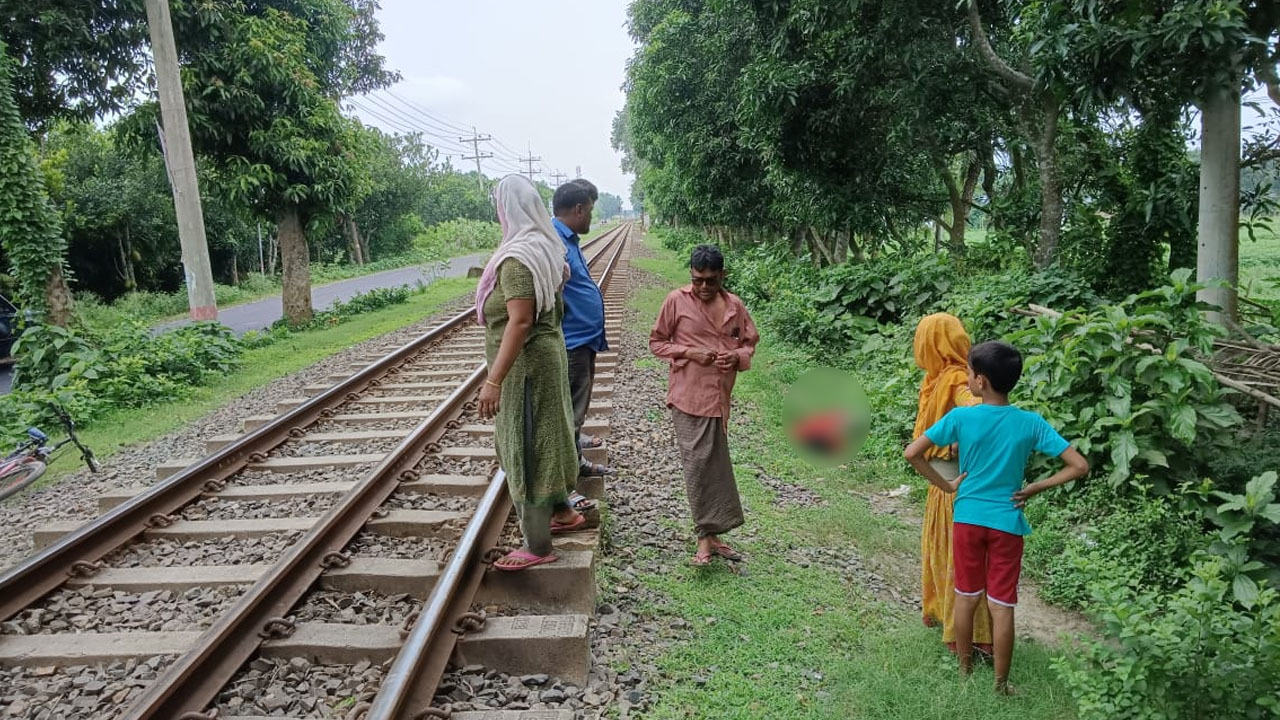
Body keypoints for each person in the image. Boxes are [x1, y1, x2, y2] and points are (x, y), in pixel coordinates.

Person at [904, 341, 1089, 693]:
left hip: (968, 519)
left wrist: (946, 485)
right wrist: (1034, 487)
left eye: (971, 374)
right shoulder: (1029, 423)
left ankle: (964, 671)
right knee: (1002, 605)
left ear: (981, 382)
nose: (968, 379)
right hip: (1007, 522)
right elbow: (1079, 466)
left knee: (966, 595)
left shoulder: (962, 417)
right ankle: (1002, 684)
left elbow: (912, 452)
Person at [475, 175, 585, 572]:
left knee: (526, 444)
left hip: (525, 369)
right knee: (548, 433)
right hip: (546, 356)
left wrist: (493, 381)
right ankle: (565, 512)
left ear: (508, 209)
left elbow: (519, 322)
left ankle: (538, 545)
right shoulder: (546, 245)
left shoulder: (518, 257)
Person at [650, 244, 760, 566]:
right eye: (698, 279)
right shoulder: (676, 301)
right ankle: (703, 536)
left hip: (718, 398)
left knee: (716, 465)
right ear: (691, 276)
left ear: (722, 276)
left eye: (711, 280)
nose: (703, 287)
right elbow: (657, 342)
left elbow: (749, 344)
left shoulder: (734, 305)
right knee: (697, 465)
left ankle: (713, 534)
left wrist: (735, 357)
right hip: (688, 396)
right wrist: (687, 352)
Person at [911, 313, 994, 659]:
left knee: (960, 562)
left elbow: (982, 408)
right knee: (948, 556)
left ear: (931, 343)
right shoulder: (936, 380)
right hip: (941, 484)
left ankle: (972, 635)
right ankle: (952, 620)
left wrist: (965, 436)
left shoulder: (957, 379)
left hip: (956, 486)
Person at [551, 179, 613, 483]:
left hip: (582, 340)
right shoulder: (553, 242)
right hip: (572, 342)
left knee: (575, 409)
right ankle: (567, 480)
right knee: (569, 414)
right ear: (578, 209)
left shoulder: (568, 239)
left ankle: (574, 462)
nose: (590, 215)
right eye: (589, 209)